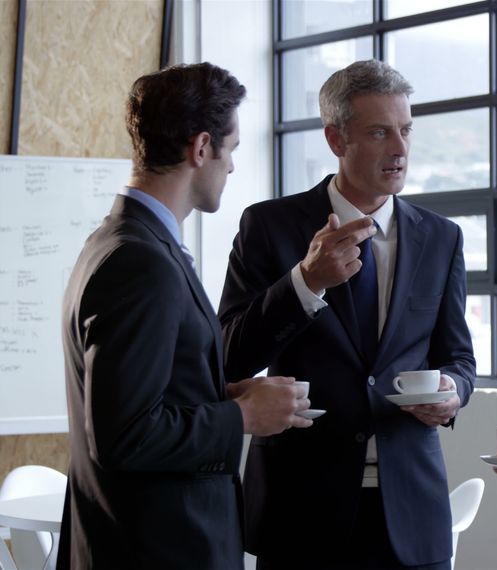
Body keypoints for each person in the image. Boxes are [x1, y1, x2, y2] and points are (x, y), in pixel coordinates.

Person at [217, 59, 475, 569]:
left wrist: (452, 392)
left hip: (411, 509)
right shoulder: (269, 227)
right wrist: (306, 281)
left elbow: (459, 358)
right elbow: (229, 355)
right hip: (301, 508)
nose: (400, 149)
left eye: (405, 130)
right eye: (380, 132)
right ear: (336, 139)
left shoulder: (441, 238)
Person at [59, 62, 313, 570]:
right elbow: (124, 435)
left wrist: (224, 395)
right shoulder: (140, 261)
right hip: (158, 550)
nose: (233, 167)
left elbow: (142, 397)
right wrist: (240, 416)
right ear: (201, 148)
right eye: (232, 149)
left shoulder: (120, 242)